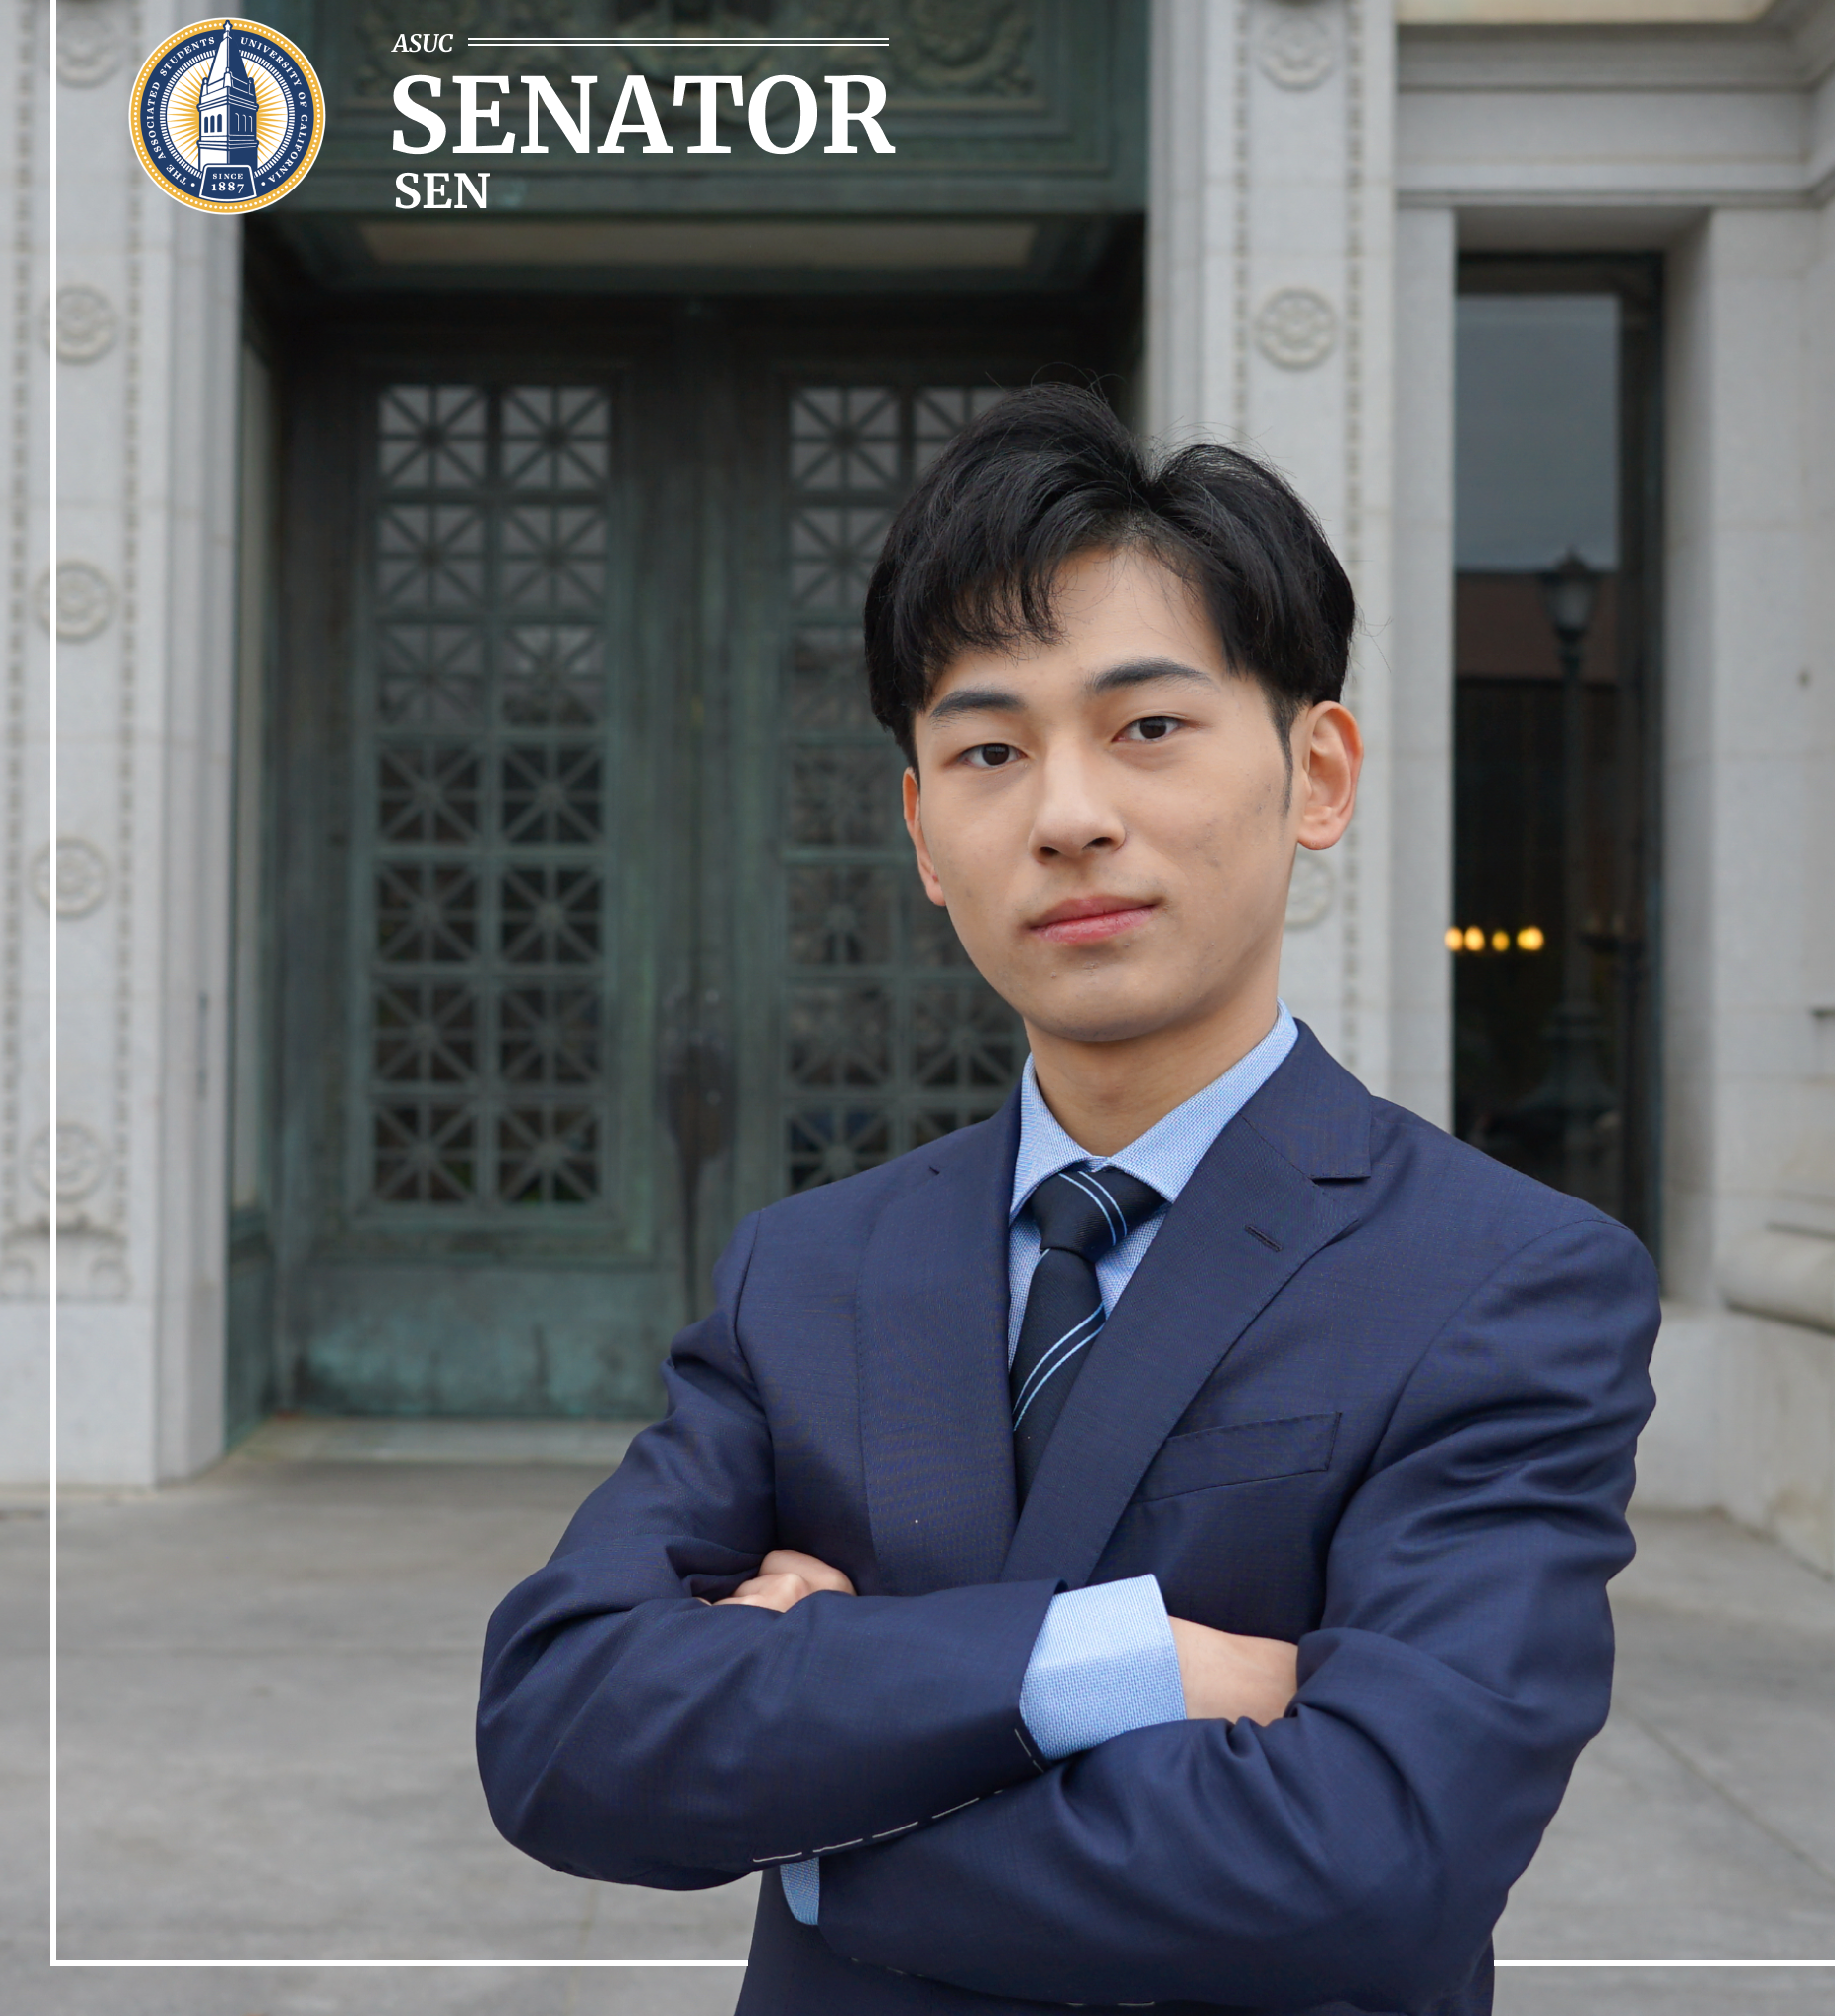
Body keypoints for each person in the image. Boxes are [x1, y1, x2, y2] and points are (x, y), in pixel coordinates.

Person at [477, 383, 1658, 2015]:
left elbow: (1377, 1859)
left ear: (1318, 773)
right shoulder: (805, 1272)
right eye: (987, 748)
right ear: (923, 832)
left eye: (1148, 726)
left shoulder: (1506, 1278)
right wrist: (1121, 1666)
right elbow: (560, 1734)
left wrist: (818, 1818)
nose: (1068, 814)